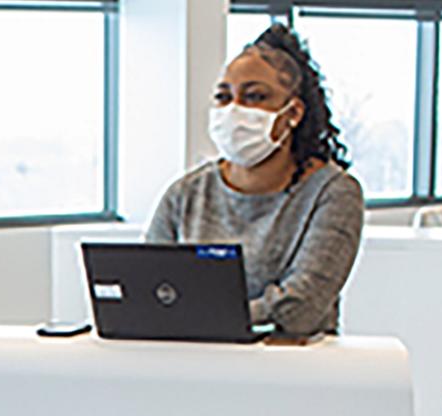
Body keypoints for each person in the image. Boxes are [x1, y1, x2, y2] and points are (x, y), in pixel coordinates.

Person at [146, 24, 364, 336]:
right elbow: (149, 291)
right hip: (192, 357)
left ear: (293, 113)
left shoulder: (333, 193)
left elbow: (302, 307)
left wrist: (199, 318)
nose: (235, 109)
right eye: (224, 97)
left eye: (255, 96)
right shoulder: (185, 194)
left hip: (289, 359)